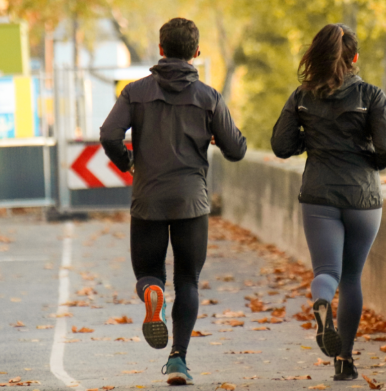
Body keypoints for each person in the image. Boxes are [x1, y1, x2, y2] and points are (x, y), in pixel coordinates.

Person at [100, 17, 247, 386]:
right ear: (196, 53)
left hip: (148, 197)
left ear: (161, 50)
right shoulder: (208, 97)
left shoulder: (135, 92)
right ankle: (178, 360)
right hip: (191, 202)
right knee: (189, 280)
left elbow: (109, 134)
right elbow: (236, 149)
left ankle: (152, 293)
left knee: (149, 273)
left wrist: (129, 163)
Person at [271, 23, 386, 381]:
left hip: (319, 196)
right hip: (363, 197)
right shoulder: (372, 96)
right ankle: (344, 361)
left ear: (318, 58)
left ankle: (321, 301)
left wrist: (308, 143)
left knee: (327, 272)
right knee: (353, 277)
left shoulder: (302, 97)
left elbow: (281, 145)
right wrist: (368, 161)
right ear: (354, 58)